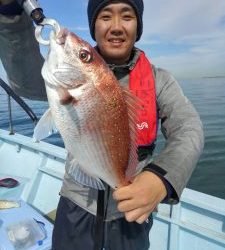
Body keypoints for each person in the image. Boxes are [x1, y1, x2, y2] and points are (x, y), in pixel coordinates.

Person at [0, 0, 204, 249]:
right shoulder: (68, 74)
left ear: (138, 26)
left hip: (131, 211)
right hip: (77, 204)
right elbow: (25, 82)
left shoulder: (160, 80)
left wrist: (162, 179)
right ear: (93, 27)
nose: (117, 26)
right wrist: (10, 16)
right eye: (106, 17)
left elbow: (189, 129)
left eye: (127, 17)